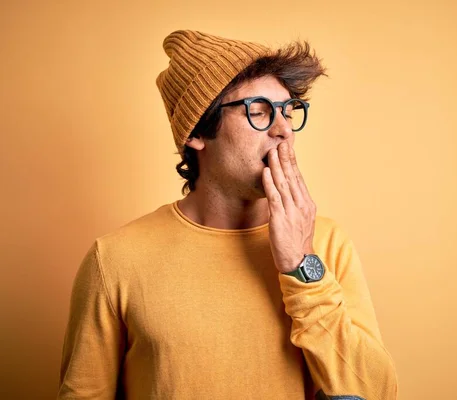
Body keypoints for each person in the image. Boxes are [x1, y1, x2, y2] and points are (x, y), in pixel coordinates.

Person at [57, 29, 398, 399]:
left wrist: (300, 264)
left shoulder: (326, 243)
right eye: (259, 111)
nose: (284, 130)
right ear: (197, 132)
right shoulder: (115, 259)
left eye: (288, 110)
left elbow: (376, 392)